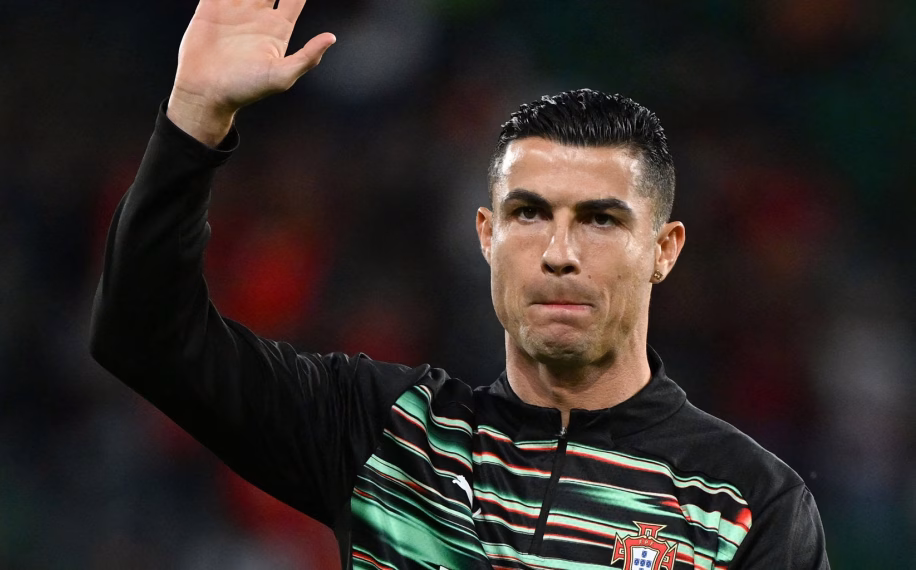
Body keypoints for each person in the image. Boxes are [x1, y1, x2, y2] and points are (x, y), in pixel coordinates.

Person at [89, 0, 830, 567]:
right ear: (487, 237)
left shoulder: (744, 505)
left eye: (601, 221)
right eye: (529, 214)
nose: (560, 253)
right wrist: (194, 118)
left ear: (663, 250)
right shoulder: (391, 438)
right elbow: (145, 337)